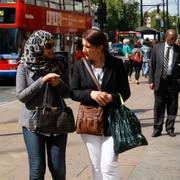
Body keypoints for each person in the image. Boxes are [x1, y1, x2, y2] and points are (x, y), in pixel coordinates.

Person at [70, 29, 130, 180]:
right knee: (96, 166)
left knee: (108, 167)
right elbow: (74, 92)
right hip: (90, 122)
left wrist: (112, 97)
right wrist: (91, 94)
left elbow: (126, 93)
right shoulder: (79, 65)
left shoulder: (116, 64)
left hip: (113, 121)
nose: (84, 50)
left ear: (100, 47)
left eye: (88, 46)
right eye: (83, 46)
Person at [16, 30, 70, 180]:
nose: (52, 49)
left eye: (53, 45)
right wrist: (42, 80)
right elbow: (21, 95)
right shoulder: (24, 66)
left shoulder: (60, 63)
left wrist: (59, 84)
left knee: (58, 170)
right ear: (37, 46)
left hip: (57, 122)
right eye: (48, 46)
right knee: (37, 170)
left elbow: (68, 92)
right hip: (33, 123)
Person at [149, 29, 180, 137]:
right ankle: (157, 129)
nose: (173, 40)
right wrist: (151, 81)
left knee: (172, 105)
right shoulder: (157, 48)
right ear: (166, 37)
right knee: (158, 105)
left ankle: (170, 128)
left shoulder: (178, 49)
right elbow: (152, 65)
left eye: (175, 38)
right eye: (172, 38)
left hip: (173, 81)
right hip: (159, 81)